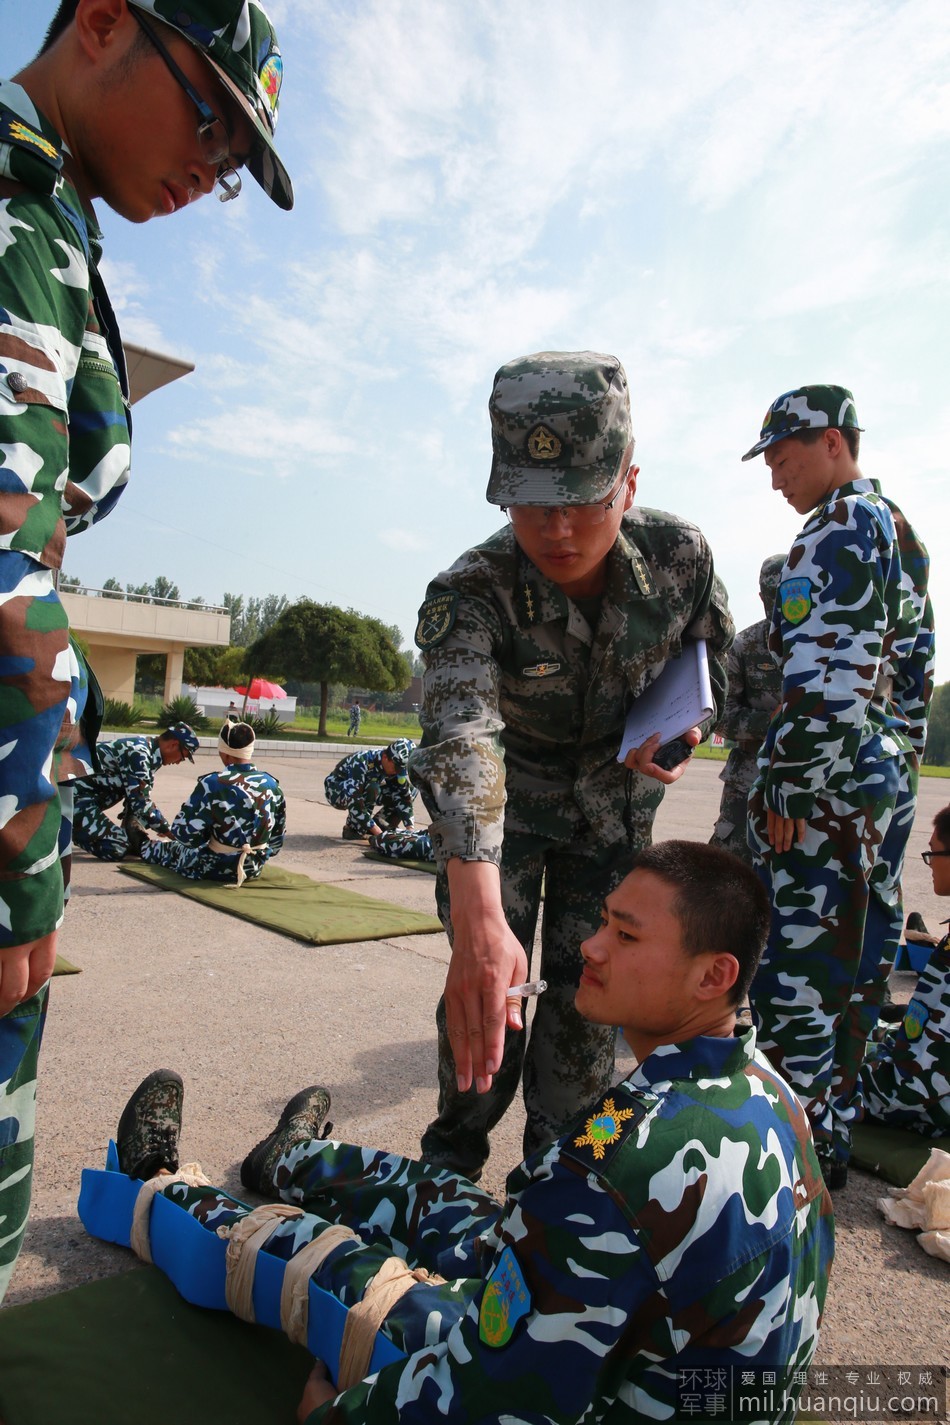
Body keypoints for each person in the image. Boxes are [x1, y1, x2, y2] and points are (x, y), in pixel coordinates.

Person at [93, 842, 833, 1424]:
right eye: (604, 920)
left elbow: (499, 1395)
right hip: (657, 1363)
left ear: (713, 976)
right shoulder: (761, 1088)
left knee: (337, 1268)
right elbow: (570, 1186)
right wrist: (532, 1217)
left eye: (626, 934)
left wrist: (335, 1417)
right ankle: (292, 1158)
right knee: (451, 1201)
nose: (592, 947)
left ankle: (157, 1188)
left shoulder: (619, 1164)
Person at [0, 0, 293, 1303]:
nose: (211, 166)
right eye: (214, 116)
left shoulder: (55, 213)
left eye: (236, 158)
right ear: (106, 22)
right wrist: (25, 873)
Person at [409, 350, 732, 1180]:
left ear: (627, 483)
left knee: (588, 1028)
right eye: (529, 501)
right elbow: (461, 732)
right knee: (489, 1011)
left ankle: (559, 1187)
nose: (555, 529)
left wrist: (686, 731)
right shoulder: (472, 590)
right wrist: (478, 910)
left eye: (582, 501)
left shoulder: (679, 559)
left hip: (611, 819)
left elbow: (711, 659)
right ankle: (446, 1169)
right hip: (504, 823)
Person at [742, 385, 934, 1189]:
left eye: (782, 457)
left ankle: (788, 1161)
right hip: (877, 774)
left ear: (829, 442)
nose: (775, 477)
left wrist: (787, 787)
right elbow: (914, 678)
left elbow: (829, 677)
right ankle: (830, 1142)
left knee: (796, 976)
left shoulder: (840, 527)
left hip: (828, 781)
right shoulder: (898, 530)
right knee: (857, 973)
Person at [859, 805, 950, 1136]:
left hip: (929, 1105)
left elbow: (917, 1085)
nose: (930, 864)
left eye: (934, 854)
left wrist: (837, 1084)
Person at [140, 720, 285, 884]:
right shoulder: (272, 785)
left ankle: (139, 843)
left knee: (166, 849)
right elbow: (275, 843)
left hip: (214, 868)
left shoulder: (213, 783)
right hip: (253, 867)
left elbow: (185, 836)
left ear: (224, 753)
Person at [709, 553, 785, 864]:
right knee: (729, 871)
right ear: (760, 596)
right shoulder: (744, 645)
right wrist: (773, 722)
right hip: (748, 779)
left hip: (806, 780)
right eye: (771, 595)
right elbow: (722, 716)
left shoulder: (816, 644)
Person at [73, 722, 199, 860]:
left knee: (131, 841)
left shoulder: (148, 752)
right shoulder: (139, 753)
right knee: (118, 847)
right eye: (183, 756)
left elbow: (138, 800)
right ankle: (68, 829)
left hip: (86, 800)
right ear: (173, 745)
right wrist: (169, 831)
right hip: (74, 799)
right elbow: (141, 803)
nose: (179, 761)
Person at [323, 740, 416, 841]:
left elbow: (404, 795)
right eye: (396, 768)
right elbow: (354, 799)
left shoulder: (392, 764)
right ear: (385, 758)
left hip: (361, 790)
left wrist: (410, 830)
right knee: (372, 787)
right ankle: (354, 829)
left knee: (410, 789)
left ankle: (380, 823)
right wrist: (380, 835)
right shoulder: (361, 762)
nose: (397, 772)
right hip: (336, 791)